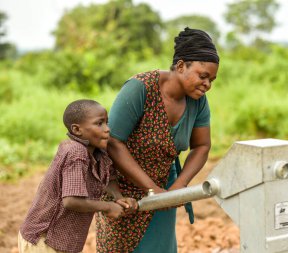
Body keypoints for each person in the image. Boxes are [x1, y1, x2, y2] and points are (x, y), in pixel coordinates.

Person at [96, 27, 219, 252]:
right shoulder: (141, 88)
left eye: (211, 80)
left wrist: (177, 188)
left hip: (165, 182)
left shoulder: (198, 101)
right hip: (123, 188)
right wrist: (151, 189)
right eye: (203, 76)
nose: (207, 85)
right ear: (181, 66)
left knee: (160, 247)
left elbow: (202, 146)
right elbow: (113, 142)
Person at [19, 99, 138, 253]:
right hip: (44, 239)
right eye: (99, 123)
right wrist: (108, 206)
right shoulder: (75, 152)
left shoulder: (98, 152)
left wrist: (118, 197)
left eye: (107, 123)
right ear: (76, 130)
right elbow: (71, 201)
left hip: (63, 243)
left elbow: (109, 178)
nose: (107, 129)